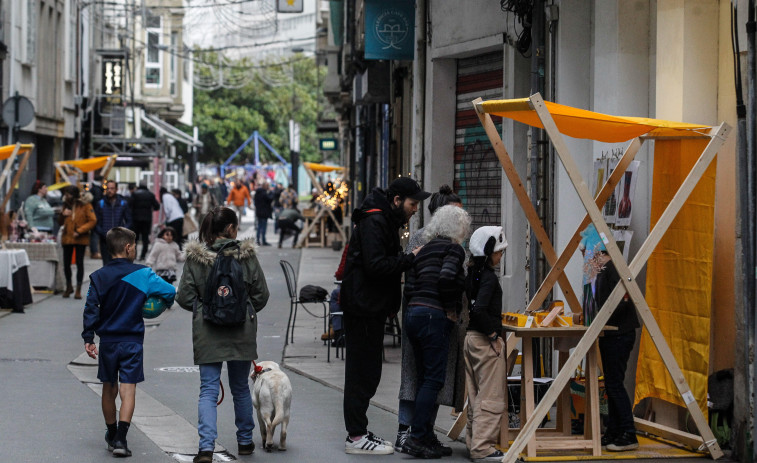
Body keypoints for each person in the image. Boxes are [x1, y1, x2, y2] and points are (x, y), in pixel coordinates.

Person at [340, 177, 430, 455]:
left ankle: (359, 431)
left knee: (369, 371)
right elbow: (376, 265)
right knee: (361, 372)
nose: (416, 209)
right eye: (413, 204)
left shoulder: (383, 220)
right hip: (363, 307)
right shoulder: (375, 222)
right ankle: (355, 437)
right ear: (396, 201)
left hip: (370, 307)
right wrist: (409, 258)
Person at [176, 206, 270, 463]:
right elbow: (262, 294)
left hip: (207, 331)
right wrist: (243, 309)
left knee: (208, 389)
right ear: (230, 229)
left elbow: (183, 297)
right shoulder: (246, 256)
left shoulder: (196, 257)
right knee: (240, 387)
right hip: (241, 330)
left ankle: (206, 448)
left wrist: (205, 308)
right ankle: (245, 441)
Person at [82, 227, 177, 458]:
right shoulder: (143, 274)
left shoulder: (98, 277)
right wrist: (150, 305)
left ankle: (112, 433)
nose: (135, 249)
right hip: (132, 341)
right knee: (128, 389)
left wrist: (88, 337)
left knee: (108, 387)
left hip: (108, 342)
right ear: (127, 248)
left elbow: (90, 308)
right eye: (134, 246)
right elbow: (170, 292)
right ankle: (122, 440)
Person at [396, 185, 464, 453]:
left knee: (427, 378)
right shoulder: (433, 239)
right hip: (433, 316)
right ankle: (412, 434)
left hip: (418, 312)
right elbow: (446, 277)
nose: (462, 217)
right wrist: (449, 309)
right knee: (424, 378)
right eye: (456, 212)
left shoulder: (435, 239)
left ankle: (423, 435)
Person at [579, 225, 640, 451]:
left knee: (614, 384)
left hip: (619, 333)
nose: (582, 257)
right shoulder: (601, 270)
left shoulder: (611, 269)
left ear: (595, 250)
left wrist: (597, 318)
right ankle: (615, 430)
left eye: (583, 251)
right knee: (612, 383)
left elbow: (618, 304)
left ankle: (628, 432)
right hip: (611, 332)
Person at [464, 226, 508, 463]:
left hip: (470, 339)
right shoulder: (488, 277)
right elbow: (479, 309)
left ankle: (473, 442)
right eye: (499, 251)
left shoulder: (473, 273)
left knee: (475, 395)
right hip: (483, 340)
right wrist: (493, 335)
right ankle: (482, 448)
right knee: (490, 395)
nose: (501, 256)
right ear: (489, 251)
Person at [59, 185, 97, 299]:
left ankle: (78, 289)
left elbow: (93, 220)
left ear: (74, 194)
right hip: (67, 237)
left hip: (80, 238)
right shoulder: (66, 204)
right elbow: (60, 222)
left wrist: (80, 231)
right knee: (66, 264)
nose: (67, 196)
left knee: (79, 263)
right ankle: (69, 286)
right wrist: (62, 214)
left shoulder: (85, 204)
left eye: (69, 194)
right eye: (66, 194)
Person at [95, 180, 132, 265]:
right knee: (106, 265)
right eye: (108, 188)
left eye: (112, 188)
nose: (110, 190)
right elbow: (97, 222)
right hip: (105, 240)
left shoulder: (123, 203)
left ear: (116, 189)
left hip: (119, 240)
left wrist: (122, 232)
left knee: (119, 265)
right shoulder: (100, 203)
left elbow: (129, 220)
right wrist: (102, 233)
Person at [129, 182, 160, 261]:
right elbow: (157, 206)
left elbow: (129, 205)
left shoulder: (135, 194)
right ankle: (143, 255)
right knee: (145, 238)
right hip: (147, 219)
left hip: (135, 219)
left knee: (134, 238)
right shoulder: (150, 195)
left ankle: (134, 255)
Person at [253, 181, 273, 246]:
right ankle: (263, 240)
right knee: (263, 227)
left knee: (259, 226)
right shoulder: (264, 193)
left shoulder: (257, 193)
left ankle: (258, 240)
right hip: (264, 212)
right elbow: (270, 199)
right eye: (267, 186)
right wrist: (271, 192)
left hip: (259, 212)